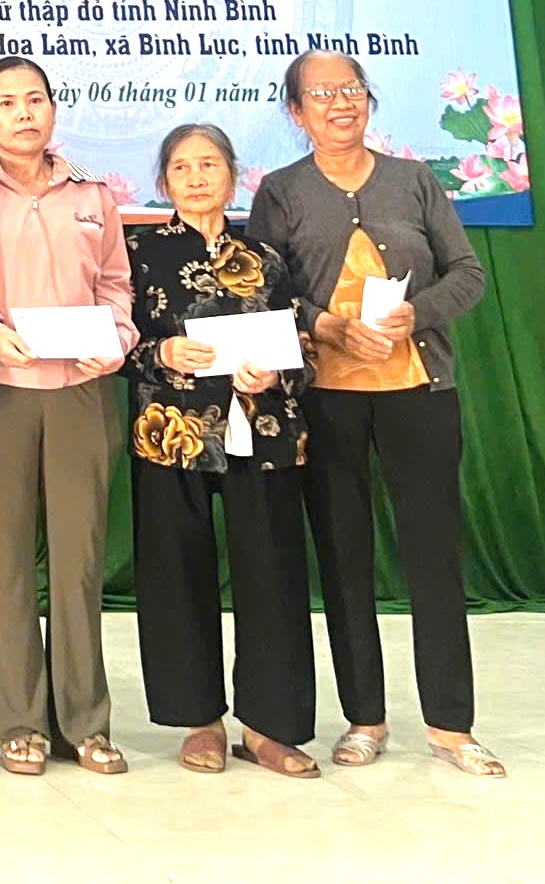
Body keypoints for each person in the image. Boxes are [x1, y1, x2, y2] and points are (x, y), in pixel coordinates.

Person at [247, 50, 501, 777]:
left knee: (434, 558)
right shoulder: (281, 191)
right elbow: (263, 289)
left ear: (369, 99)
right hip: (327, 400)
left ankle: (451, 725)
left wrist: (418, 313)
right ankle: (366, 718)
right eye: (322, 93)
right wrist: (324, 325)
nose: (341, 103)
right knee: (344, 557)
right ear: (297, 112)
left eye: (352, 88)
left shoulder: (414, 180)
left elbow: (469, 273)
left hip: (420, 393)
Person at [0, 55, 136, 776]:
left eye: (35, 99)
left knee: (79, 560)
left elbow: (117, 284)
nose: (24, 113)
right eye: (7, 102)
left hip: (81, 392)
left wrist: (117, 339)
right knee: (4, 562)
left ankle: (84, 722)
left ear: (54, 109)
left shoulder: (91, 193)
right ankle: (19, 722)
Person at [125, 123, 317, 778]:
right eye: (182, 167)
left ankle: (269, 727)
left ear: (234, 175)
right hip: (171, 432)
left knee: (273, 575)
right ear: (163, 182)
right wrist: (161, 352)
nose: (197, 177)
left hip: (264, 435)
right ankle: (199, 722)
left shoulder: (268, 255)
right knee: (176, 575)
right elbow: (116, 342)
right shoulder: (138, 252)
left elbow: (304, 347)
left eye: (210, 164)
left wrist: (276, 372)